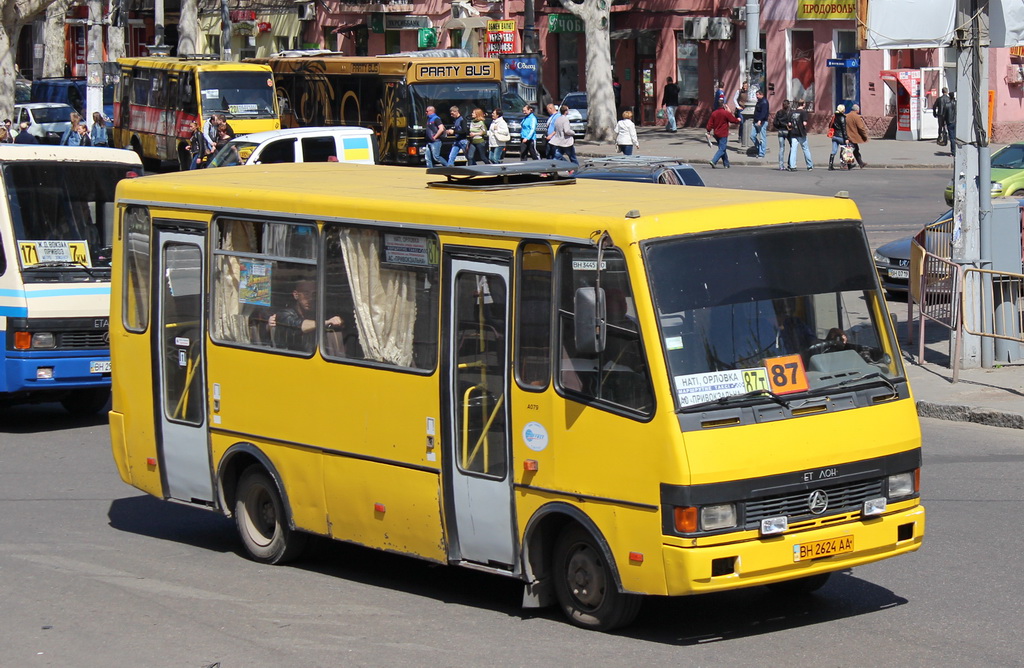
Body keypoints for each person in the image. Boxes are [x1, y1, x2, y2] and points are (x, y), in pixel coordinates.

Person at [268, 279, 343, 353]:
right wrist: (326, 322)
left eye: (314, 294)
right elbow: (298, 325)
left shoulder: (318, 313)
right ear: (296, 295)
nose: (310, 298)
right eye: (306, 294)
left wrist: (338, 321)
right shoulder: (284, 314)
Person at [706, 99, 741, 169]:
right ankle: (714, 161)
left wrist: (708, 131)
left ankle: (726, 164)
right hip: (723, 133)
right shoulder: (725, 113)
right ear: (723, 105)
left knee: (722, 148)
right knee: (722, 149)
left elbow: (710, 123)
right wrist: (738, 120)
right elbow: (733, 120)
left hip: (716, 133)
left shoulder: (714, 113)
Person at [787, 99, 813, 171]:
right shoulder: (803, 112)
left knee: (793, 149)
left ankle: (792, 166)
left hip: (793, 133)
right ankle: (809, 165)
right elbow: (804, 123)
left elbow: (789, 123)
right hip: (801, 133)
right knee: (805, 149)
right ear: (803, 104)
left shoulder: (792, 112)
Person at [846, 103, 869, 169]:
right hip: (853, 136)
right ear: (857, 110)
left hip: (847, 136)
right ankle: (850, 165)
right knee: (852, 150)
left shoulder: (846, 116)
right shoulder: (857, 117)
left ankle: (860, 163)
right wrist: (864, 136)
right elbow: (861, 128)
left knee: (853, 149)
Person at [828, 104, 848, 171]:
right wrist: (846, 138)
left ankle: (830, 165)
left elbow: (830, 125)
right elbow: (844, 129)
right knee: (843, 150)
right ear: (842, 110)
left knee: (834, 151)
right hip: (841, 136)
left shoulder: (834, 116)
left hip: (834, 136)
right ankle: (843, 165)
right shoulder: (842, 117)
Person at [773, 99, 791, 171]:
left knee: (781, 148)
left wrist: (778, 127)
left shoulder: (779, 112)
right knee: (792, 147)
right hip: (788, 131)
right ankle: (790, 164)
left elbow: (775, 122)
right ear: (788, 105)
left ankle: (781, 165)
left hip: (780, 131)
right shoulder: (790, 113)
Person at [752, 89, 769, 158]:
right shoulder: (759, 101)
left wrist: (760, 120)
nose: (756, 96)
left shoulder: (764, 102)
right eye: (756, 94)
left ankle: (761, 153)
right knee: (752, 136)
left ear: (761, 95)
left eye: (757, 94)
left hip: (762, 122)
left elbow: (763, 112)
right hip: (756, 121)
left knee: (762, 138)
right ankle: (759, 148)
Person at [944, 91, 957, 157]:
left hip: (949, 122)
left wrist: (943, 123)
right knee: (956, 137)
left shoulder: (947, 104)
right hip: (956, 122)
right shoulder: (957, 104)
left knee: (952, 138)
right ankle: (957, 151)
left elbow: (944, 114)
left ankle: (953, 152)